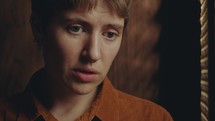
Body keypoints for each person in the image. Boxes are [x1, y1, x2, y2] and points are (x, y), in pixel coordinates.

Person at [0, 0, 173, 120]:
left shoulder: (152, 118)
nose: (93, 54)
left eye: (110, 34)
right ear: (38, 29)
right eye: (76, 29)